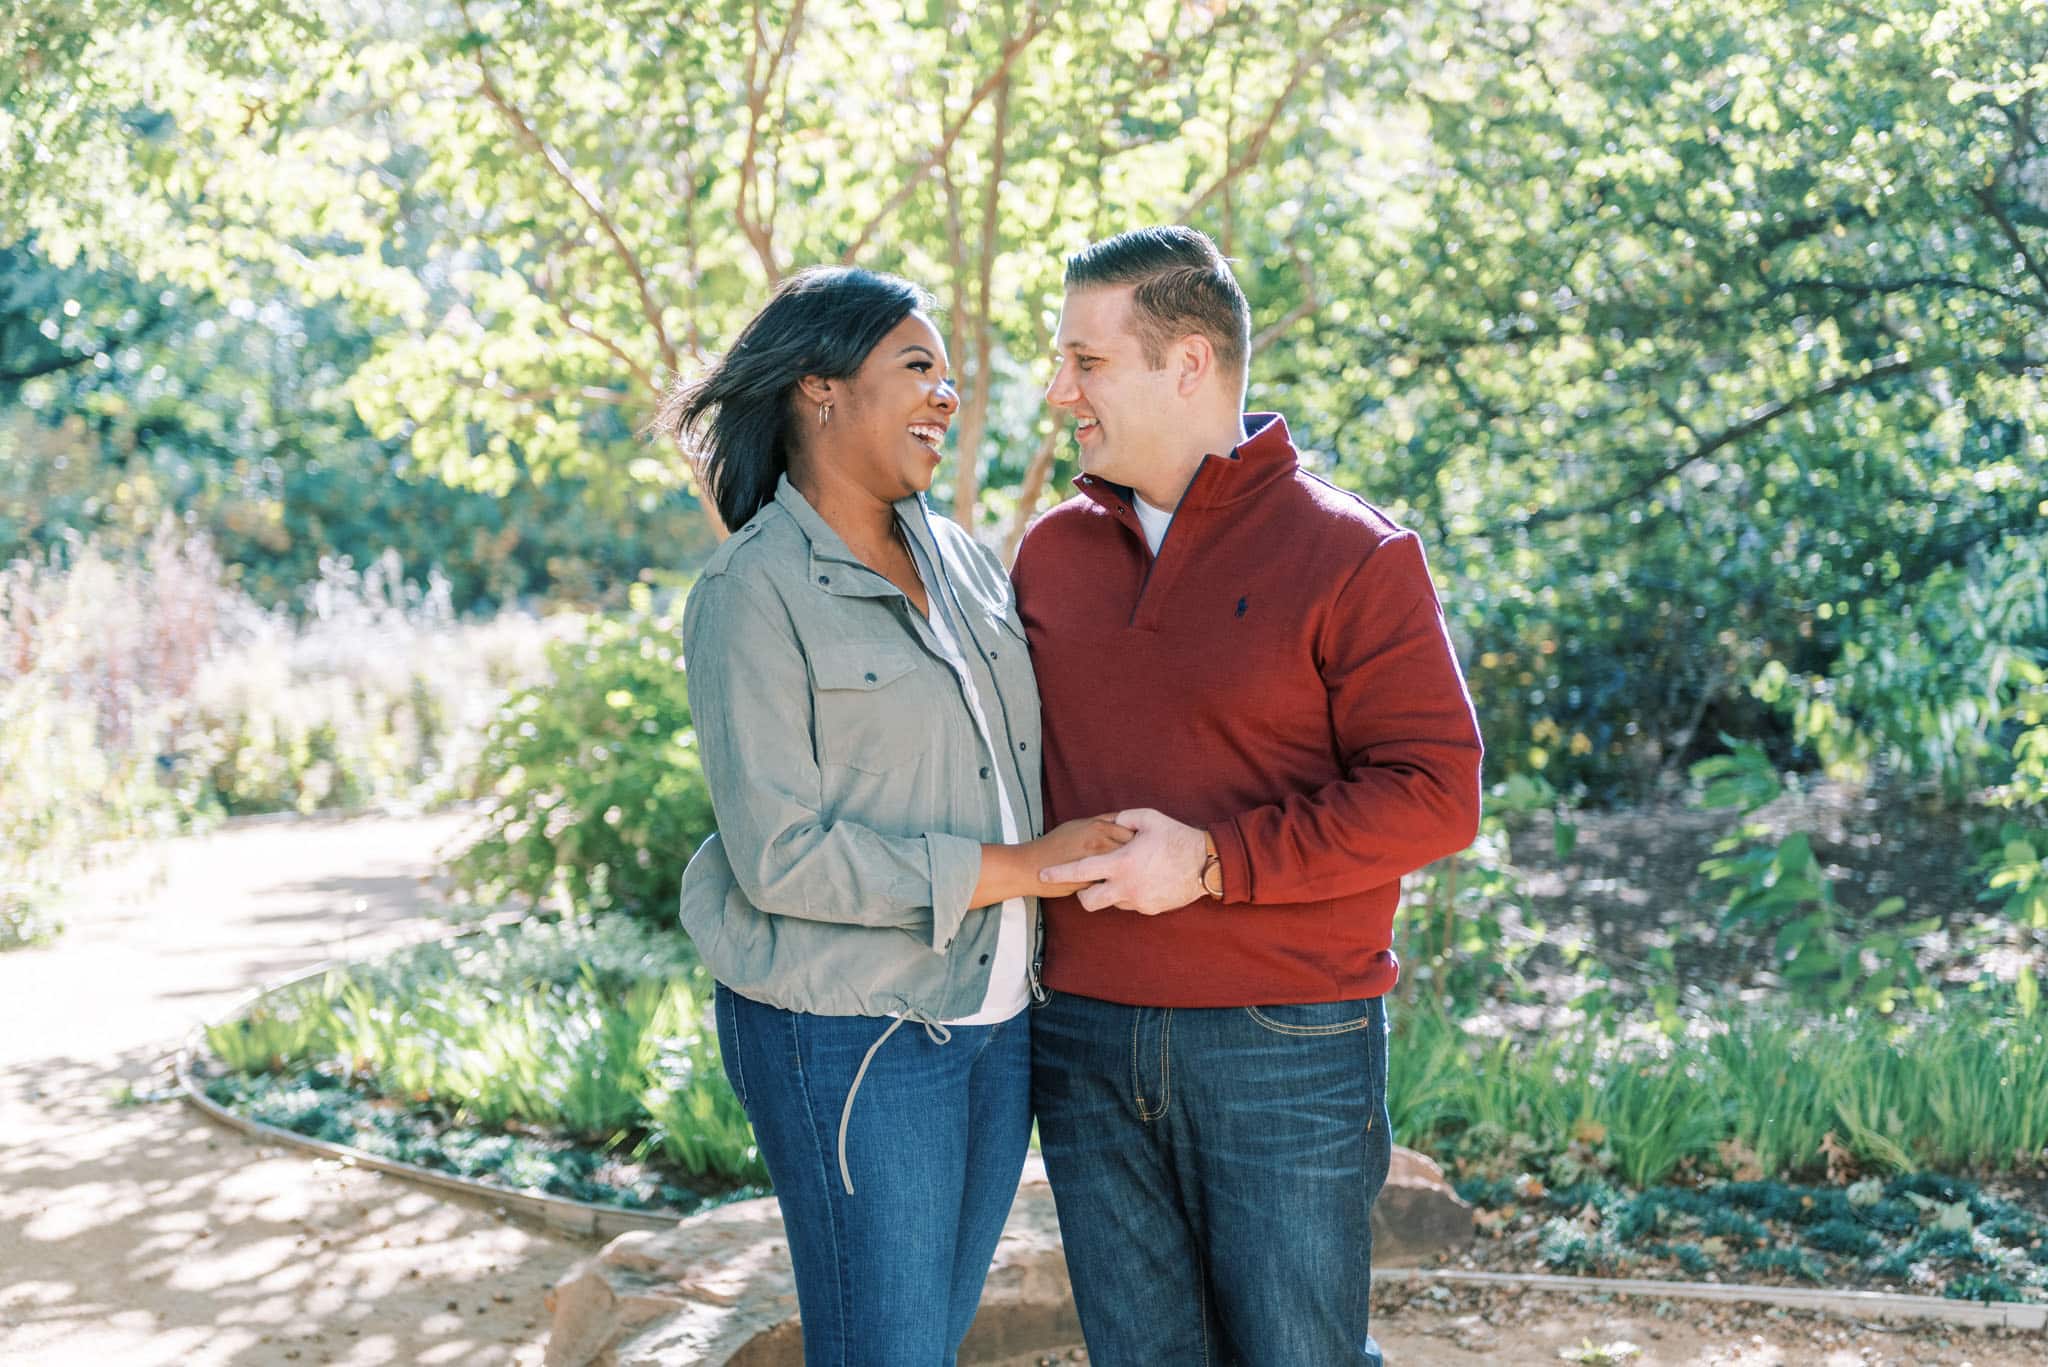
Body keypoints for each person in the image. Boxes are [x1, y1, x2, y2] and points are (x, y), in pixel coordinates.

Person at [1013, 226, 1485, 1365]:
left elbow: (1437, 792)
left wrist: (1213, 859)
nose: (1059, 390)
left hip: (1286, 1039)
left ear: (1188, 363)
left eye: (1087, 361)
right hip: (1082, 1036)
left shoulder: (1352, 553)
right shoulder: (1049, 558)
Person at [664, 266, 1132, 1366]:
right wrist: (1022, 867)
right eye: (918, 366)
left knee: (924, 1342)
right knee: (886, 1348)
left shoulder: (962, 560)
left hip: (994, 1017)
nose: (947, 395)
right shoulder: (751, 592)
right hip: (851, 1029)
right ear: (819, 387)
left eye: (950, 375)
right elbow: (779, 855)